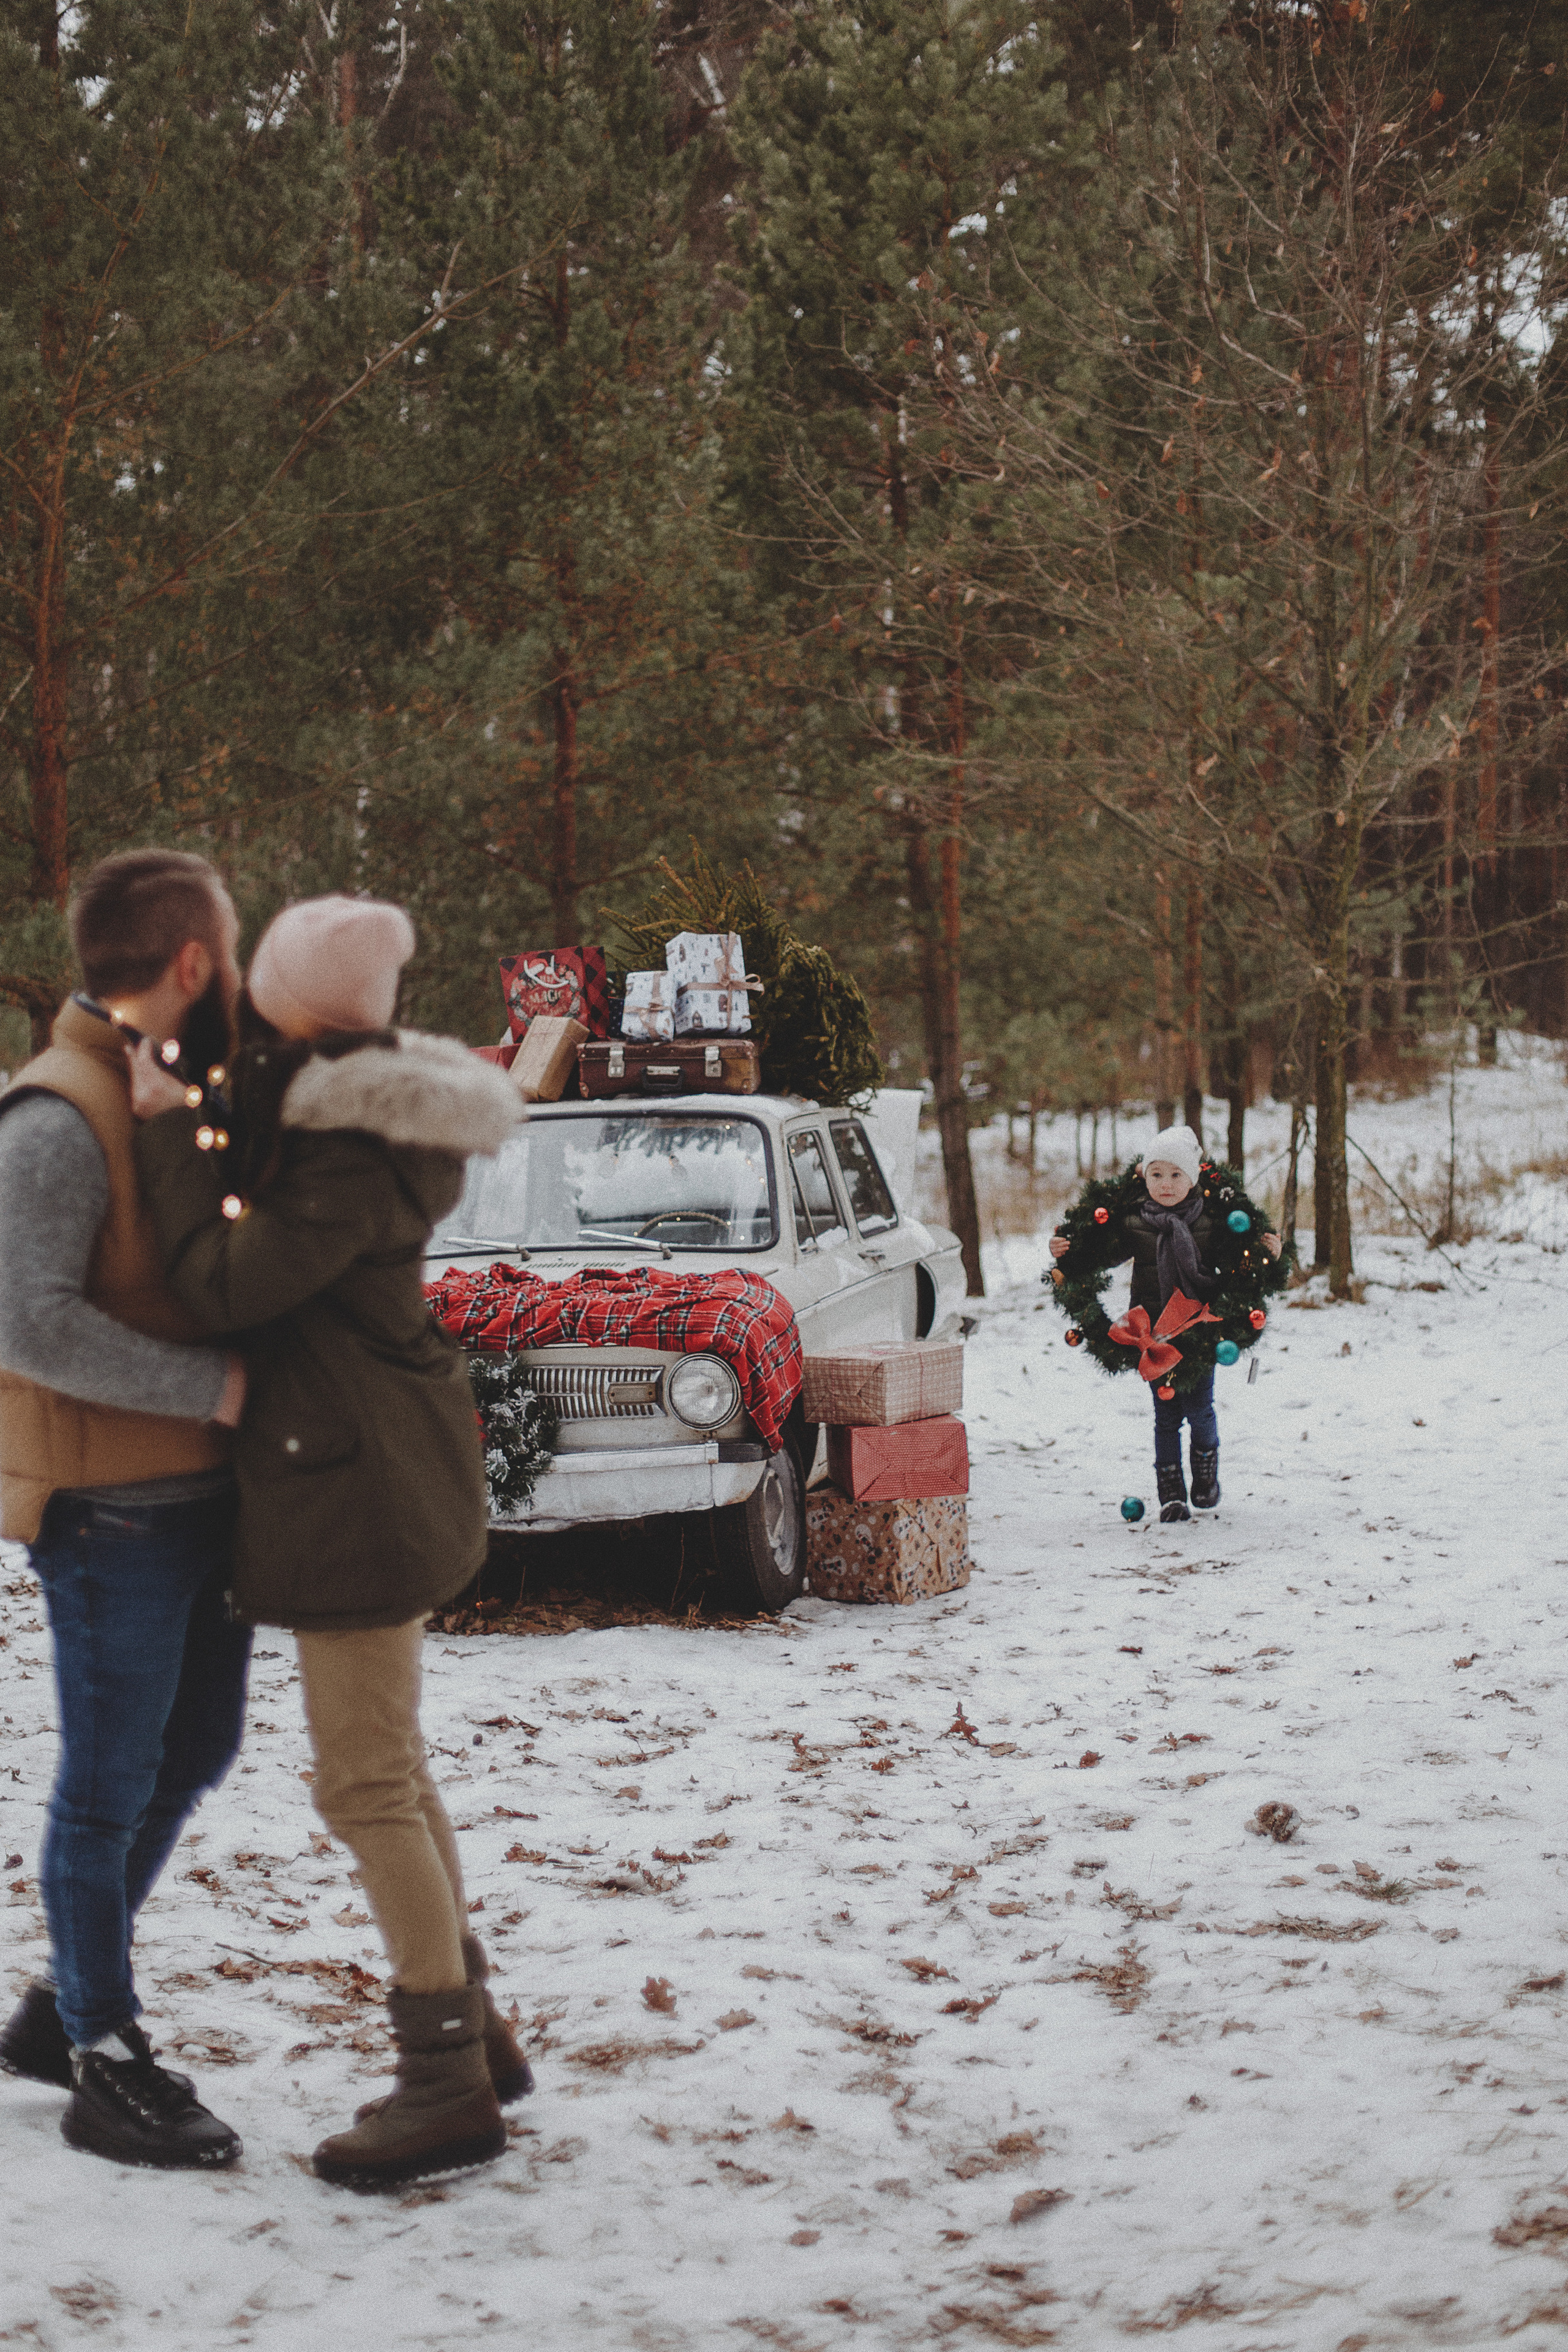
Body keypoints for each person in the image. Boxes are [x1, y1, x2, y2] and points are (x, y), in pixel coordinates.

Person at [130, 894, 527, 2191]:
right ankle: (480, 2030)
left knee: (361, 1785)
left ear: (298, 999)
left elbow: (225, 1284)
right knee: (396, 1771)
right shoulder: (343, 1099)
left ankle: (444, 2086)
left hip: (354, 1482)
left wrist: (156, 1132)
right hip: (379, 1456)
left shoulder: (347, 1142)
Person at [0, 848, 250, 2168]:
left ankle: (56, 2006)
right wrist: (209, 1385)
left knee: (196, 1750)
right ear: (193, 964)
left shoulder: (166, 1092)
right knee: (104, 1788)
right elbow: (25, 1323)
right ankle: (101, 2050)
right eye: (236, 949)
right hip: (109, 1511)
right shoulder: (54, 1114)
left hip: (197, 1499)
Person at [1049, 1123, 1281, 1524]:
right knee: (1166, 1414)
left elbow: (1241, 1266)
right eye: (1157, 1174)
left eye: (1176, 1175)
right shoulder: (1136, 1221)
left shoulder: (1212, 1220)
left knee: (1201, 1410)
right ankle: (1171, 1492)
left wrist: (1268, 1253)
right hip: (1153, 1334)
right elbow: (1098, 1258)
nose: (1166, 1184)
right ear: (1145, 1177)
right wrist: (1066, 1252)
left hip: (1199, 1329)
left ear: (1192, 1179)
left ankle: (1206, 1477)